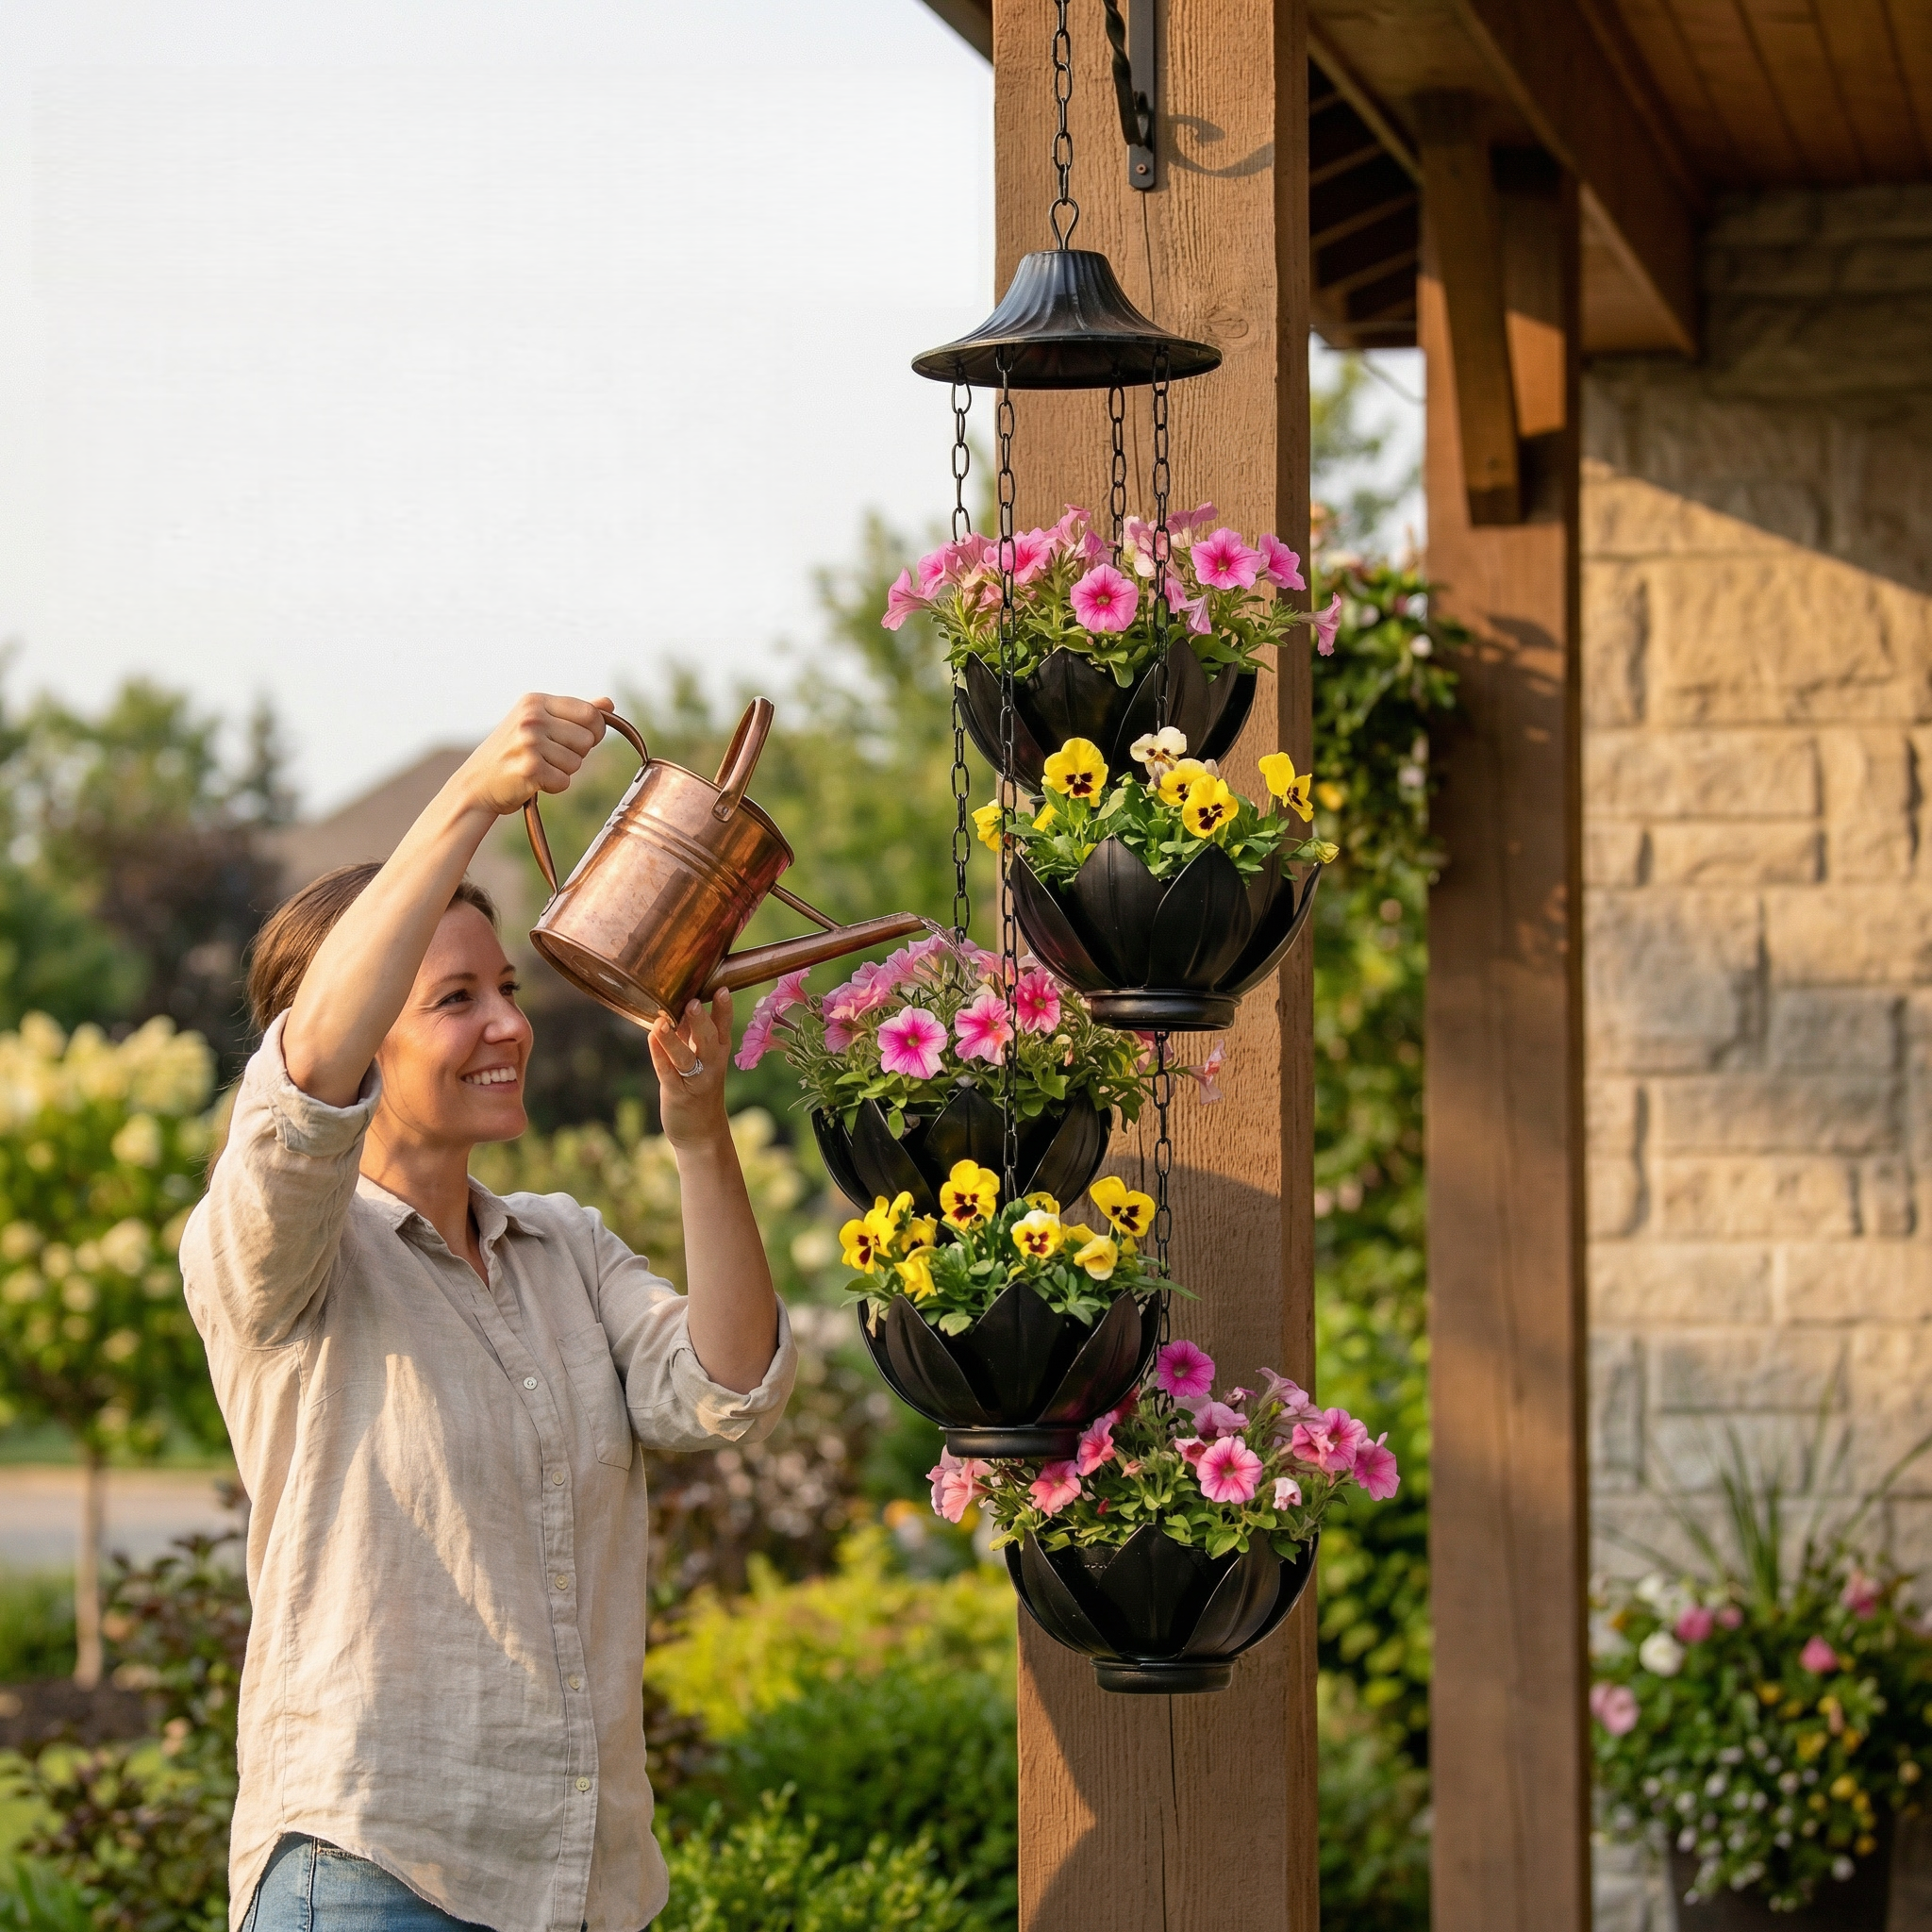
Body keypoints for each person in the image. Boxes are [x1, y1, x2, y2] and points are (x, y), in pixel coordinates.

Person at [182, 692, 795, 1932]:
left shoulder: (561, 1249)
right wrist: (467, 797)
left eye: (505, 987)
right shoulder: (279, 1258)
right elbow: (301, 1093)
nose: (509, 1023)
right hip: (374, 1871)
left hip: (579, 1886)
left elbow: (729, 1387)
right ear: (366, 1032)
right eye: (453, 1000)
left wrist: (697, 1136)